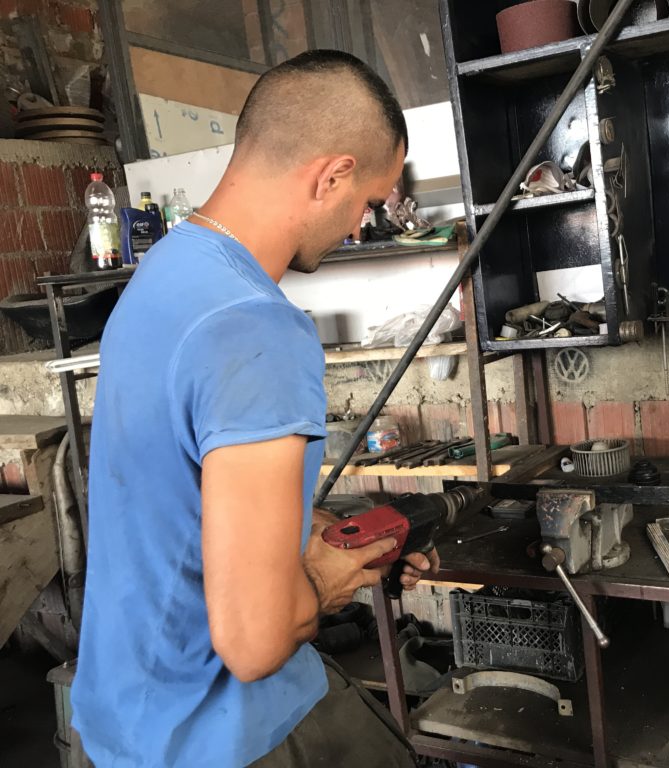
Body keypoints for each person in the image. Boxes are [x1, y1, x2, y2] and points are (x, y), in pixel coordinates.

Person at [71, 50, 431, 768]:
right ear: (329, 176)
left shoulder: (165, 274)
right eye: (366, 202)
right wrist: (329, 580)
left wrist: (302, 531)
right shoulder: (257, 327)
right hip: (220, 734)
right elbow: (257, 641)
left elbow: (178, 494)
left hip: (125, 715)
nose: (359, 225)